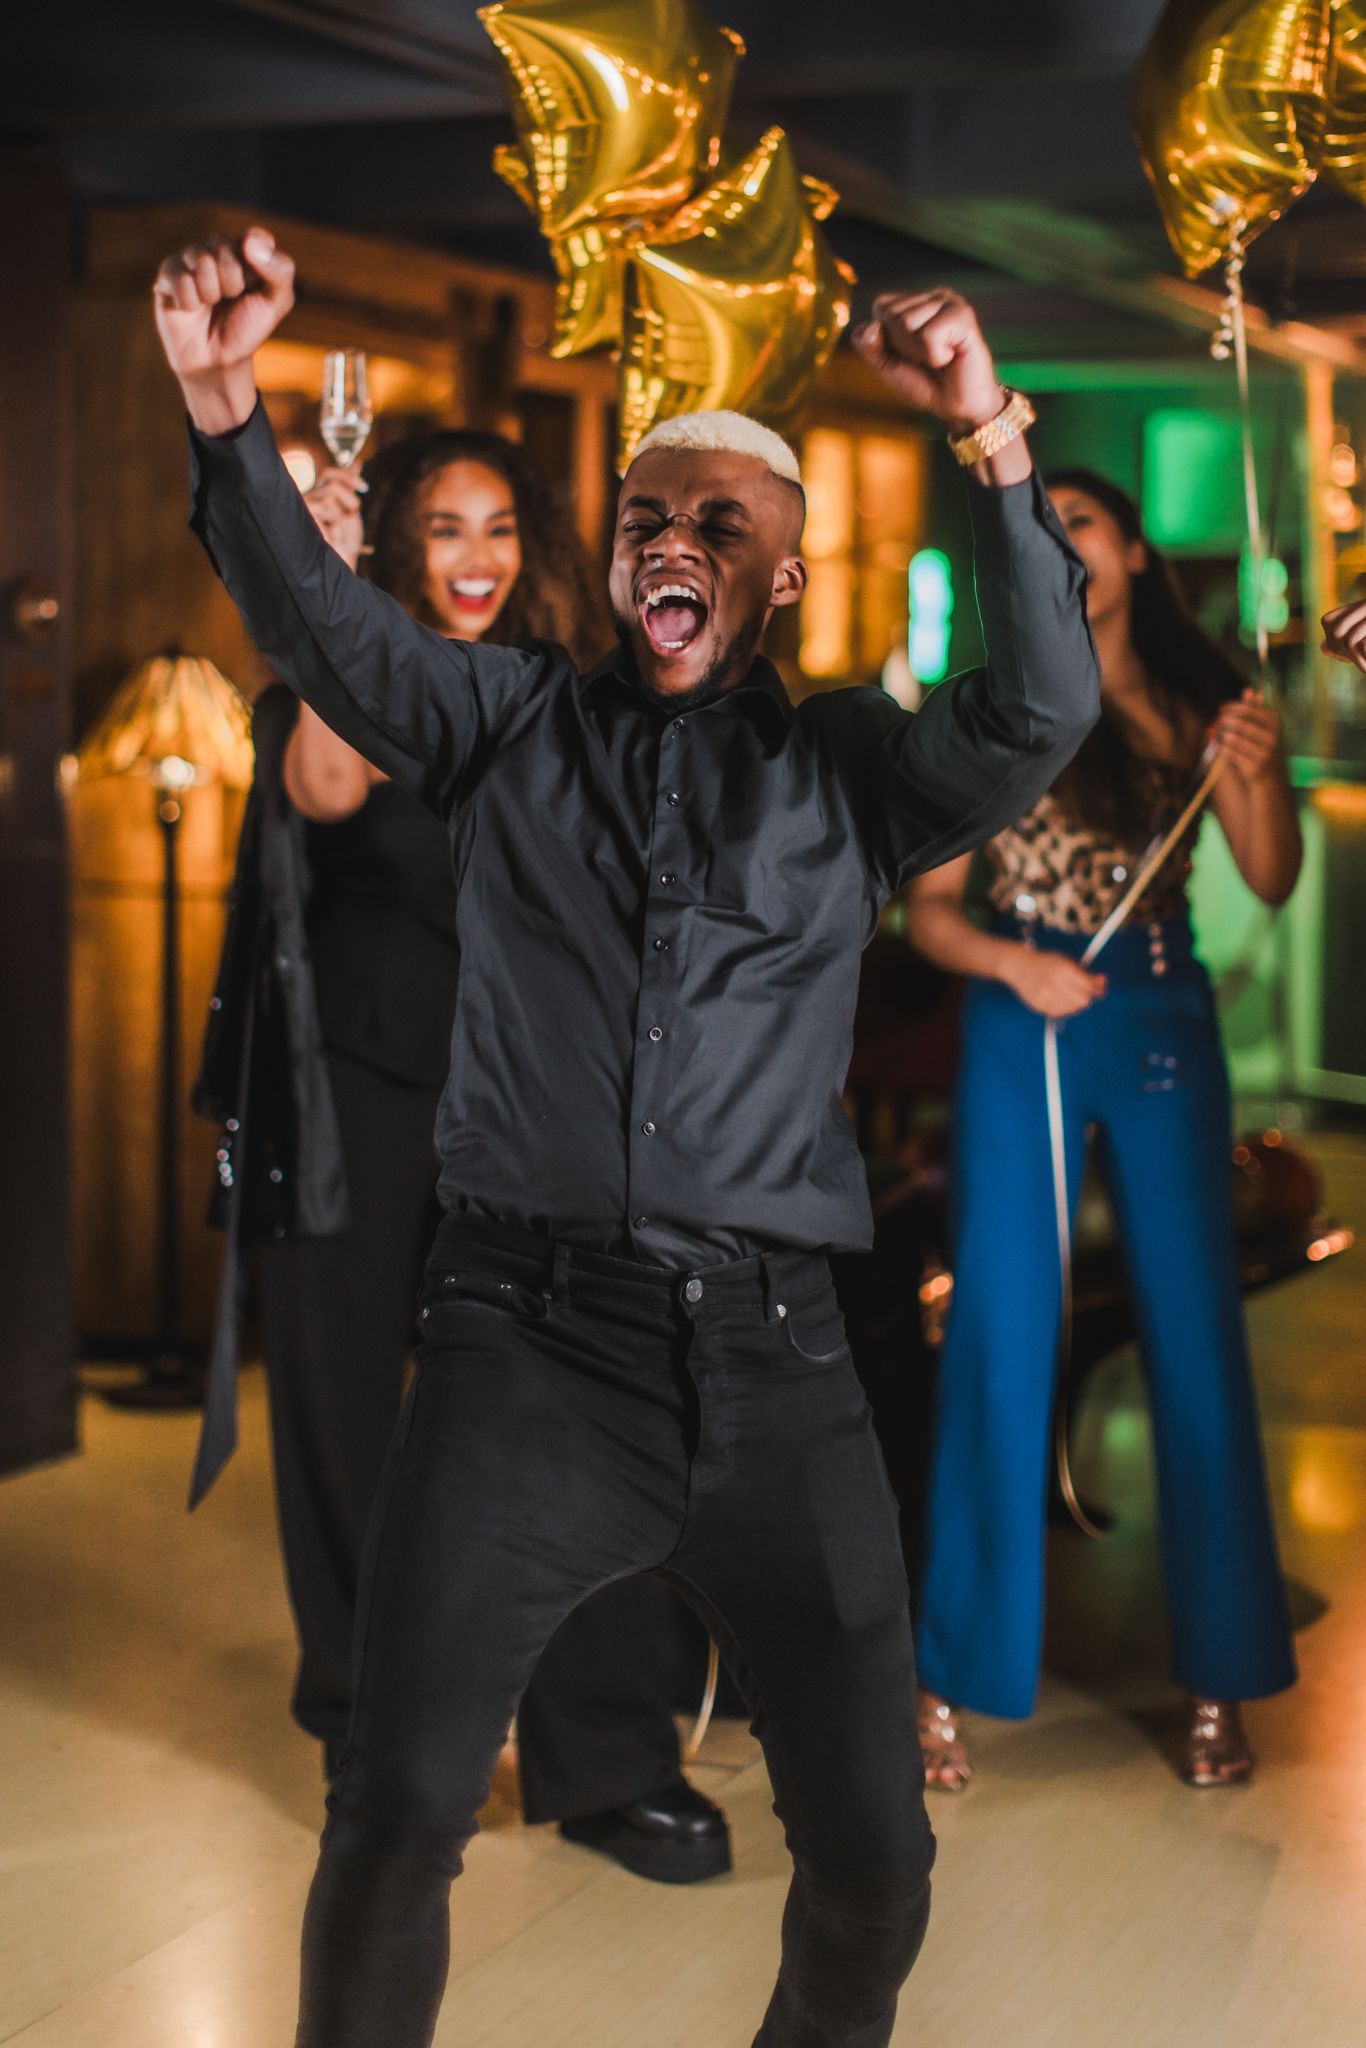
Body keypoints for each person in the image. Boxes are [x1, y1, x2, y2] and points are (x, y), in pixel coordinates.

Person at [153, 223, 1098, 2048]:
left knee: (874, 1857)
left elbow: (1040, 702)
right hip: (521, 1344)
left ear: (785, 573)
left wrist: (991, 438)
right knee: (399, 1806)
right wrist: (220, 406)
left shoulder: (850, 768)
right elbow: (323, 632)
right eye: (648, 515)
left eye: (716, 522)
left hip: (779, 1362)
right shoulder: (503, 723)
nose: (670, 539)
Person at [195, 423, 730, 1880]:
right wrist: (318, 591)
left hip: (530, 1113)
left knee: (572, 1423)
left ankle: (609, 1758)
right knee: (348, 1436)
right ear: (394, 550)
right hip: (356, 1106)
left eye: (497, 527)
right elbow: (320, 787)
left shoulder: (563, 698)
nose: (476, 556)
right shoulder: (333, 687)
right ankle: (376, 1755)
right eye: (442, 529)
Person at [904, 469, 1302, 1794]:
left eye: (1077, 522)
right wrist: (1012, 971)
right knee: (998, 1335)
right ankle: (948, 1677)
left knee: (1195, 1339)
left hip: (1157, 1015)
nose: (1062, 547)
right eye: (1039, 531)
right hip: (1025, 1014)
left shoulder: (1200, 708)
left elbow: (1269, 872)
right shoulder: (991, 712)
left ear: (1129, 547)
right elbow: (930, 916)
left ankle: (1222, 1684)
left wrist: (1258, 769)